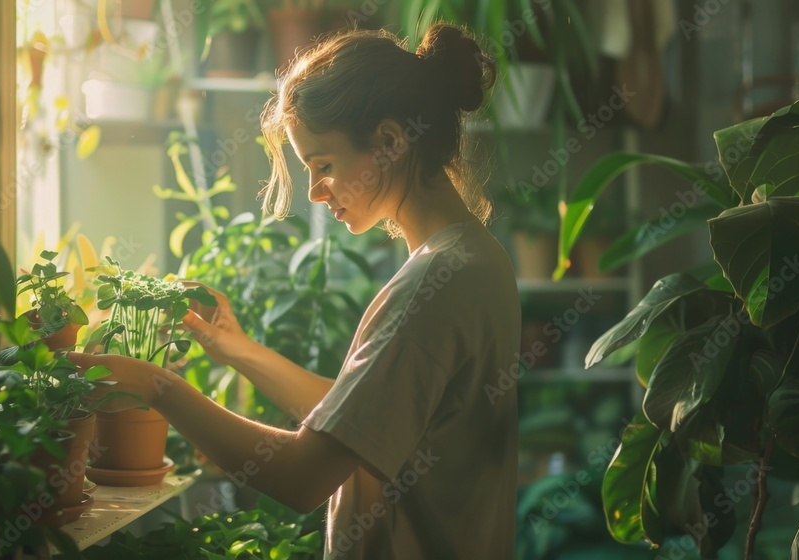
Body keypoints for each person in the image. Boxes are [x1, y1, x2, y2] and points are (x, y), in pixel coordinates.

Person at [68, 23, 521, 559]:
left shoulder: (433, 286)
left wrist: (154, 387)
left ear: (391, 141)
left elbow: (303, 477)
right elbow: (361, 423)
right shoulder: (475, 258)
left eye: (323, 165)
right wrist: (236, 349)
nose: (314, 191)